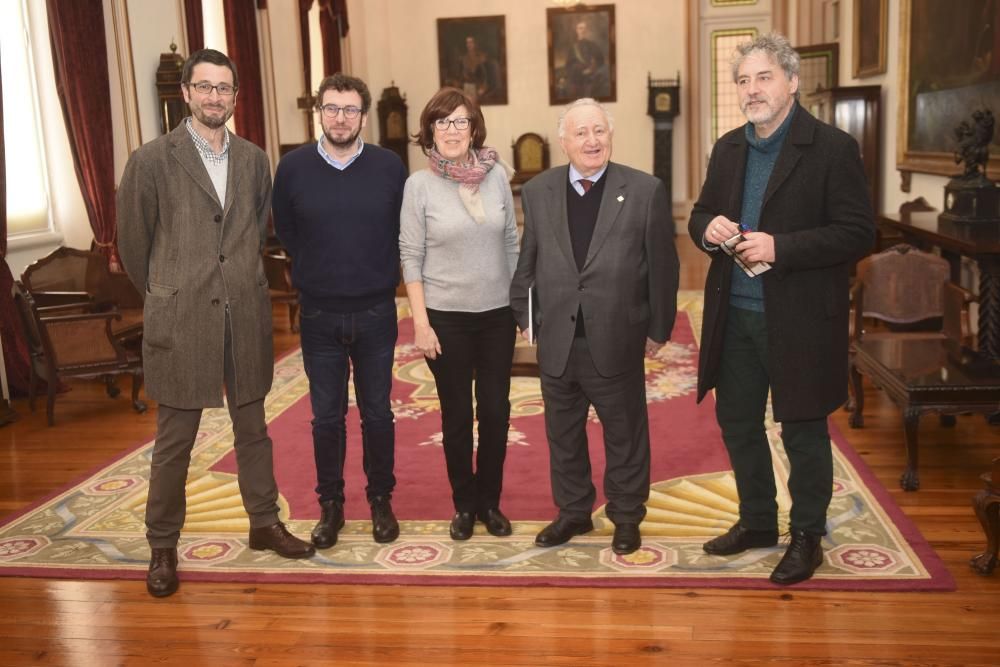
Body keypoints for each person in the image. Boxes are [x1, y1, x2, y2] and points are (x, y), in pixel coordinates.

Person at [117, 48, 315, 599]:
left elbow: (251, 230)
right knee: (174, 439)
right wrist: (168, 292)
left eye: (223, 88)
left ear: (235, 96)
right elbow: (136, 246)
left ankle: (264, 523)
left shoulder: (254, 159)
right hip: (182, 318)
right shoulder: (151, 160)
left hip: (245, 313)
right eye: (204, 87)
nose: (214, 97)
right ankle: (162, 546)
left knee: (253, 429)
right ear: (185, 92)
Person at [688, 33, 875, 585]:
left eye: (763, 77)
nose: (752, 90)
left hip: (798, 317)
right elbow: (699, 214)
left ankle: (807, 535)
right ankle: (758, 522)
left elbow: (858, 232)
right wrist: (709, 230)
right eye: (743, 81)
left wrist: (781, 247)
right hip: (734, 315)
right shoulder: (728, 148)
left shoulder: (832, 148)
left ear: (792, 82)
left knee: (801, 428)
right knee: (737, 422)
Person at [509, 98, 679, 555]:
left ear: (610, 136)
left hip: (617, 335)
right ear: (563, 141)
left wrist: (659, 327)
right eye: (581, 133)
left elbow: (663, 265)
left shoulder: (645, 190)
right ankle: (573, 512)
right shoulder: (540, 190)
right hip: (557, 337)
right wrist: (525, 316)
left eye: (599, 131)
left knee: (624, 433)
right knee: (562, 434)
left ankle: (626, 515)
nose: (591, 141)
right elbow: (530, 260)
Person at [272, 73, 408, 549]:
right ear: (319, 112)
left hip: (375, 312)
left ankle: (380, 501)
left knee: (378, 415)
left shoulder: (391, 167)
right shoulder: (292, 168)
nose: (341, 118)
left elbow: (400, 230)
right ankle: (331, 505)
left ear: (364, 117)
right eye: (332, 108)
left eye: (350, 110)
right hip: (319, 315)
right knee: (326, 418)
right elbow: (286, 231)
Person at [399, 87, 518, 541]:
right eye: (442, 122)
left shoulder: (497, 176)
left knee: (495, 411)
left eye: (461, 121)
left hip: (496, 317)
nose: (452, 130)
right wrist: (420, 322)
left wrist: (519, 305)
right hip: (445, 317)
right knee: (456, 416)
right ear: (430, 130)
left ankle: (490, 501)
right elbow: (410, 255)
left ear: (474, 128)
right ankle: (464, 504)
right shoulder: (419, 185)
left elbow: (511, 241)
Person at [564, 20, 606, 99]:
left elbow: (601, 60)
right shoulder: (573, 47)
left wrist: (592, 68)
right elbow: (568, 64)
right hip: (576, 79)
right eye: (580, 28)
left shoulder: (592, 45)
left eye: (584, 28)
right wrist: (576, 70)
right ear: (576, 30)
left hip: (589, 77)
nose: (582, 30)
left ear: (586, 31)